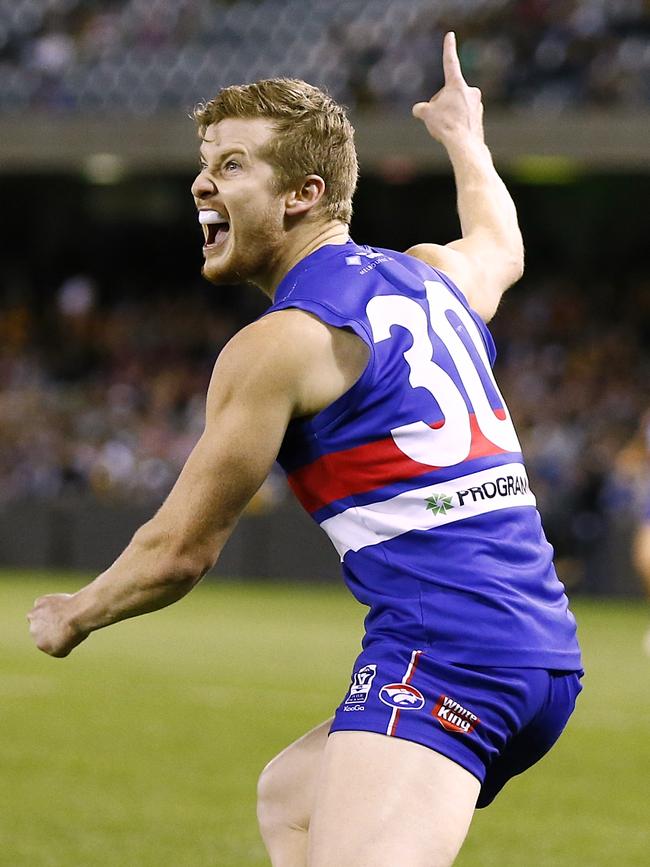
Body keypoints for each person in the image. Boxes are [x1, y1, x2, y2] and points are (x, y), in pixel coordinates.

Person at [28, 33, 582, 867]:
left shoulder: (281, 344)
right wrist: (466, 138)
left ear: (303, 194)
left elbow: (179, 550)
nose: (202, 183)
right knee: (293, 797)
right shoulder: (430, 276)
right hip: (538, 651)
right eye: (205, 162)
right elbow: (501, 241)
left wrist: (75, 612)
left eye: (234, 165)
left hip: (450, 653)